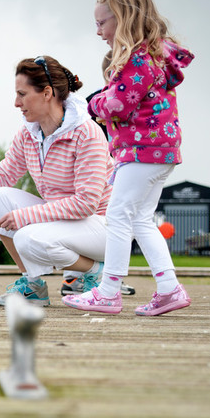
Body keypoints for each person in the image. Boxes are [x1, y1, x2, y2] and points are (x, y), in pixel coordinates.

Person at [63, 0, 194, 316]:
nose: (98, 31)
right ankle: (169, 288)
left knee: (118, 217)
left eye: (101, 23)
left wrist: (93, 103)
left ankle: (108, 292)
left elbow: (118, 104)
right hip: (160, 150)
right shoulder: (153, 55)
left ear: (122, 19)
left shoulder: (137, 58)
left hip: (142, 150)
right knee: (140, 220)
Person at [0, 55, 114, 307]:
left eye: (22, 94)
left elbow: (86, 204)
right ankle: (33, 286)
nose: (16, 103)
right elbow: (5, 174)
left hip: (103, 227)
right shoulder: (29, 133)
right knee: (0, 198)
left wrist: (26, 216)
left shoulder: (87, 133)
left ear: (47, 93)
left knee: (27, 237)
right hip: (66, 222)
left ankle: (96, 272)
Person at [62, 50, 136, 298]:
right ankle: (87, 277)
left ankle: (84, 277)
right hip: (100, 169)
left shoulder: (97, 101)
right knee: (107, 222)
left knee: (98, 223)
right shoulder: (99, 102)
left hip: (101, 167)